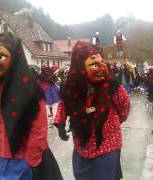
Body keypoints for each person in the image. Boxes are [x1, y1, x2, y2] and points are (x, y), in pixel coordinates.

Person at [0, 32, 62, 180]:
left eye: (1, 56)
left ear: (14, 58)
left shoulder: (28, 88)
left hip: (23, 158)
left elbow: (39, 128)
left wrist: (33, 159)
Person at [54, 41, 130, 180]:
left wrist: (113, 121)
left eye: (102, 62)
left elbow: (124, 105)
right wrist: (60, 123)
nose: (102, 67)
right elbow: (64, 104)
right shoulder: (71, 86)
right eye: (95, 64)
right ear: (80, 68)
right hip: (82, 144)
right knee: (83, 176)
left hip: (108, 143)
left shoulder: (111, 85)